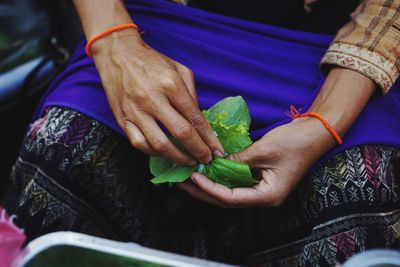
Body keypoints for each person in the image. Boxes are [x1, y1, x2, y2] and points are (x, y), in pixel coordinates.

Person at [6, 0, 400, 266]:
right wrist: (114, 44)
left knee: (360, 183)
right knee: (68, 147)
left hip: (338, 60)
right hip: (144, 31)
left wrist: (326, 122)